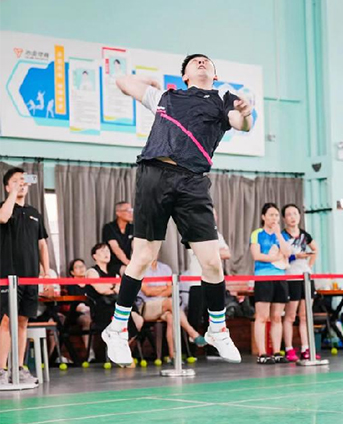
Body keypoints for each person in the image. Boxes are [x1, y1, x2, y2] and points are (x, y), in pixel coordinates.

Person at [104, 54, 250, 365]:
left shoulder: (223, 100)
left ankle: (218, 330)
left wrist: (246, 114)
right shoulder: (166, 98)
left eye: (207, 61)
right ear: (184, 75)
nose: (202, 63)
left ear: (214, 74)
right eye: (195, 62)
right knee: (143, 257)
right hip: (155, 175)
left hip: (193, 182)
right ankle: (116, 330)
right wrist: (149, 81)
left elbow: (242, 124)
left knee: (212, 262)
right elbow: (123, 82)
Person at [0, 167, 51, 386]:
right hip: (7, 276)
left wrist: (46, 272)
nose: (21, 183)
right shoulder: (4, 208)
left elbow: (42, 244)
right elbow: (3, 218)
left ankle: (18, 368)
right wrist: (14, 192)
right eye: (16, 181)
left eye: (23, 180)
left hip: (30, 277)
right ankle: (1, 370)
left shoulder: (34, 213)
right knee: (5, 321)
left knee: (23, 321)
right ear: (7, 186)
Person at [137, 258, 204, 361]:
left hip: (165, 305)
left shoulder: (165, 268)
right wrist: (163, 288)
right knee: (170, 302)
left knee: (171, 317)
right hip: (147, 306)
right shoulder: (140, 268)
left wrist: (157, 291)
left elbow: (171, 289)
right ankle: (192, 333)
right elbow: (147, 291)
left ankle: (173, 355)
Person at [251, 203, 292, 364]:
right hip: (263, 277)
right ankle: (262, 353)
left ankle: (276, 352)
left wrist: (278, 234)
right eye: (270, 215)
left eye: (276, 215)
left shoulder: (282, 235)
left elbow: (288, 253)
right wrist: (275, 258)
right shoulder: (257, 234)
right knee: (262, 317)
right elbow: (257, 255)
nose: (274, 218)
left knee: (276, 317)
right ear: (263, 217)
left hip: (280, 278)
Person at [281, 203, 318, 361]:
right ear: (284, 218)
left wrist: (309, 266)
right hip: (291, 277)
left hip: (306, 277)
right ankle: (289, 349)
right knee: (290, 316)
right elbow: (280, 256)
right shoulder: (282, 236)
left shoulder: (305, 235)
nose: (292, 217)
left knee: (305, 316)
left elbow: (315, 250)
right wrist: (295, 257)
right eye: (289, 214)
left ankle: (306, 348)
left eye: (295, 213)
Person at [65, 258, 93, 362]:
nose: (81, 269)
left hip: (92, 311)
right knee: (87, 320)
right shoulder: (71, 284)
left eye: (82, 266)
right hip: (76, 313)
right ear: (72, 272)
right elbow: (73, 303)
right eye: (77, 267)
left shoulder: (90, 284)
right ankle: (89, 352)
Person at [102, 201, 134, 276]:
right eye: (128, 210)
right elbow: (116, 249)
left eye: (132, 210)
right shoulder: (109, 227)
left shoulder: (132, 228)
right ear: (118, 213)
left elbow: (135, 246)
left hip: (128, 263)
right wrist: (128, 263)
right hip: (112, 264)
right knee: (127, 272)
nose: (131, 213)